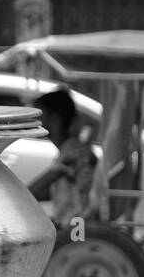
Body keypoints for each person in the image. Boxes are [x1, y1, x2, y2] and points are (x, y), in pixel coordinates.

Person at [28, 89, 97, 228]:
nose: (33, 121)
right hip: (72, 225)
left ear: (54, 119)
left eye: (39, 115)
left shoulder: (73, 153)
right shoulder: (70, 149)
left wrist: (12, 197)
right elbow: (43, 193)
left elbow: (32, 191)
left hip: (78, 230)